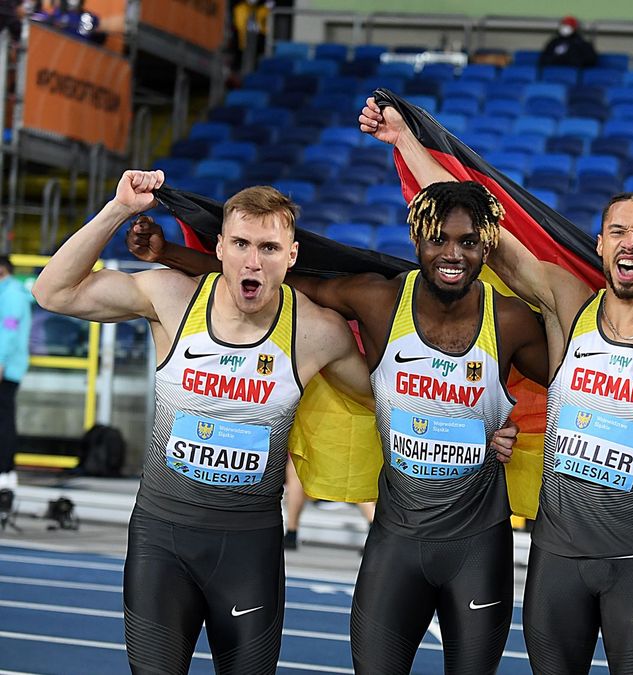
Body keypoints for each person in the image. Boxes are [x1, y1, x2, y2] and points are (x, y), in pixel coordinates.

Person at [360, 95, 633, 673]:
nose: (630, 242)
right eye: (618, 231)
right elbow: (486, 232)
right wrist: (406, 141)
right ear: (600, 245)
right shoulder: (568, 307)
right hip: (555, 563)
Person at [126, 180, 548, 674]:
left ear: (487, 248)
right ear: (417, 241)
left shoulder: (511, 320)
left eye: (468, 241)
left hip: (479, 546)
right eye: (439, 239)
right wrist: (170, 254)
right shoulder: (378, 300)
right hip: (396, 543)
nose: (452, 253)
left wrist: (505, 422)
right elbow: (279, 284)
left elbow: (570, 385)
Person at [32, 170, 376, 674]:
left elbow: (388, 402)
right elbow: (53, 293)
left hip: (249, 548)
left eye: (269, 248)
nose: (253, 261)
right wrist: (118, 209)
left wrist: (485, 424)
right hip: (161, 540)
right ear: (218, 248)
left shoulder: (316, 332)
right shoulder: (172, 298)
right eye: (240, 244)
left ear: (292, 255)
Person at [0, 255, 31, 494]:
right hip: (7, 366)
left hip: (6, 368)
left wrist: (0, 360)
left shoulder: (11, 295)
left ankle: (5, 470)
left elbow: (9, 330)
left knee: (4, 420)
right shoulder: (10, 292)